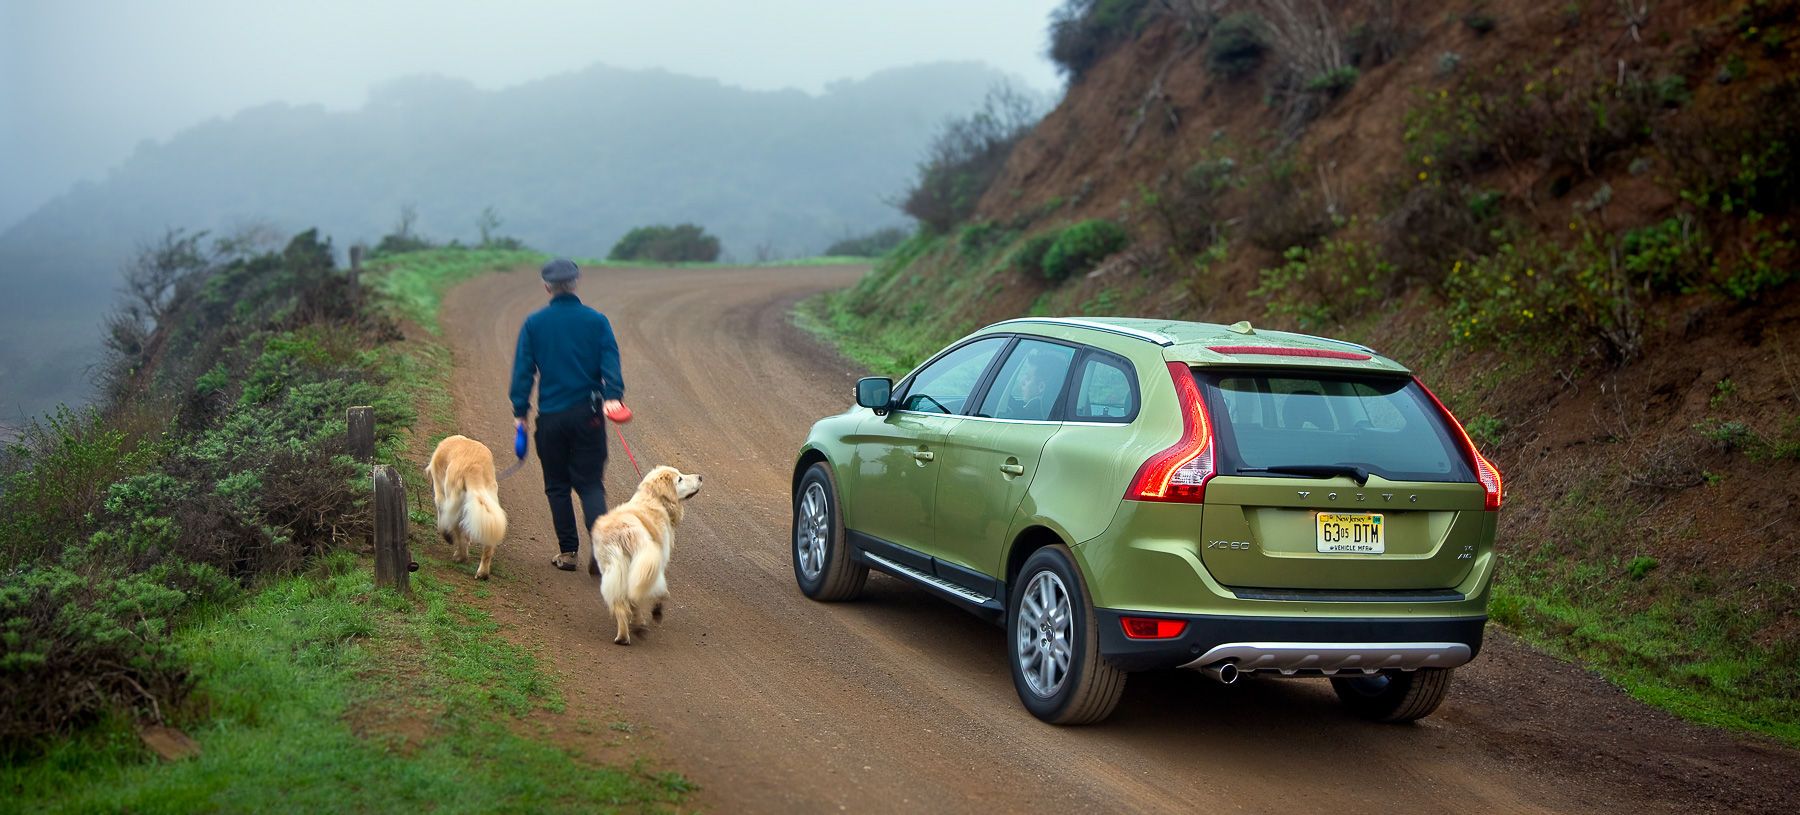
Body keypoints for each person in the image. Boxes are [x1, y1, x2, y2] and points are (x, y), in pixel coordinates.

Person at [509, 258, 625, 572]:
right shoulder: (597, 321)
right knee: (590, 485)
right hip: (588, 415)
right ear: (576, 282)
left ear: (547, 287)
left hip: (552, 418)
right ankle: (602, 554)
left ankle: (568, 553)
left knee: (557, 485)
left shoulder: (534, 324)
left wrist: (520, 411)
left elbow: (523, 372)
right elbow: (610, 364)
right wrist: (613, 396)